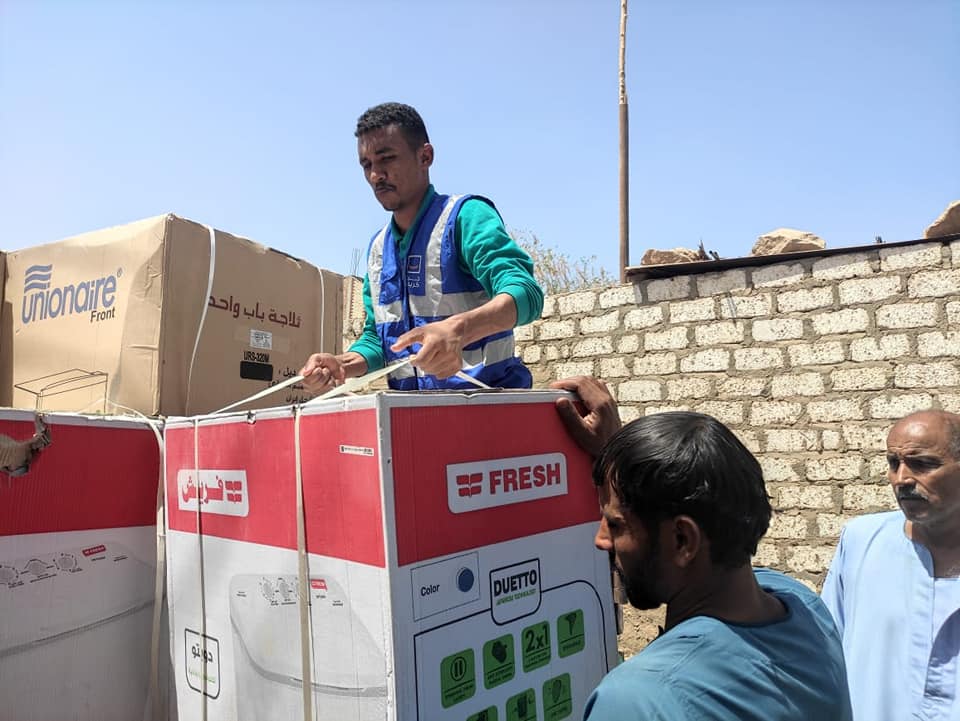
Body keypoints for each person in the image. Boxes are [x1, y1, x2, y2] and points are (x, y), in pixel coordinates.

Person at [551, 376, 853, 720]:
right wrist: (618, 456)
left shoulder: (638, 699)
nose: (601, 539)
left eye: (616, 524)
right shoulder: (804, 608)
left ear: (683, 540)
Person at [300, 102, 543, 392]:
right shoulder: (378, 250)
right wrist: (343, 364)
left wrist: (459, 329)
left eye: (387, 158)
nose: (376, 175)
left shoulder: (465, 217)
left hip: (489, 408)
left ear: (425, 156)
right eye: (367, 165)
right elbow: (379, 339)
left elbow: (527, 294)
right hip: (413, 413)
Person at [821, 410, 960, 721]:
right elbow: (826, 652)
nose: (902, 479)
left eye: (923, 464)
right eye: (893, 463)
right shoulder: (861, 542)